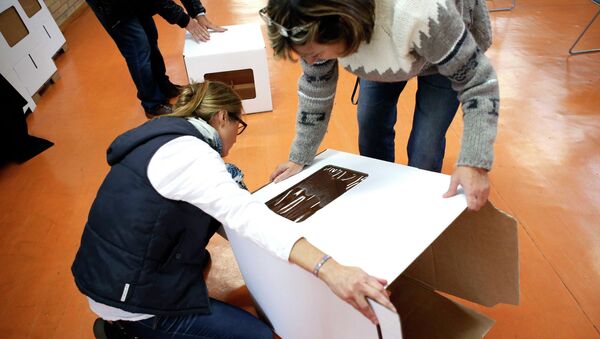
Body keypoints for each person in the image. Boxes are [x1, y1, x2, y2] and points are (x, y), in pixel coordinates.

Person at [71, 81, 394, 339]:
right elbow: (243, 216)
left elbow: (227, 218)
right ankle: (131, 330)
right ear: (222, 117)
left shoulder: (164, 140)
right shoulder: (190, 155)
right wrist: (328, 267)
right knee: (258, 335)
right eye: (238, 126)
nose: (236, 140)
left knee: (203, 260)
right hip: (128, 299)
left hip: (108, 273)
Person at [262, 0, 499, 211]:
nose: (310, 60)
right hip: (381, 47)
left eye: (315, 53)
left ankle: (419, 214)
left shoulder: (422, 11)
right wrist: (299, 156)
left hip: (440, 53)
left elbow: (479, 82)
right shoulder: (308, 25)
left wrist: (474, 162)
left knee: (425, 147)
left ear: (344, 24)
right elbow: (316, 90)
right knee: (370, 125)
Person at [86, 0, 226, 117]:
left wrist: (198, 13)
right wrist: (186, 20)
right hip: (112, 5)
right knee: (138, 47)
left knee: (150, 36)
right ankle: (152, 104)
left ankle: (164, 86)